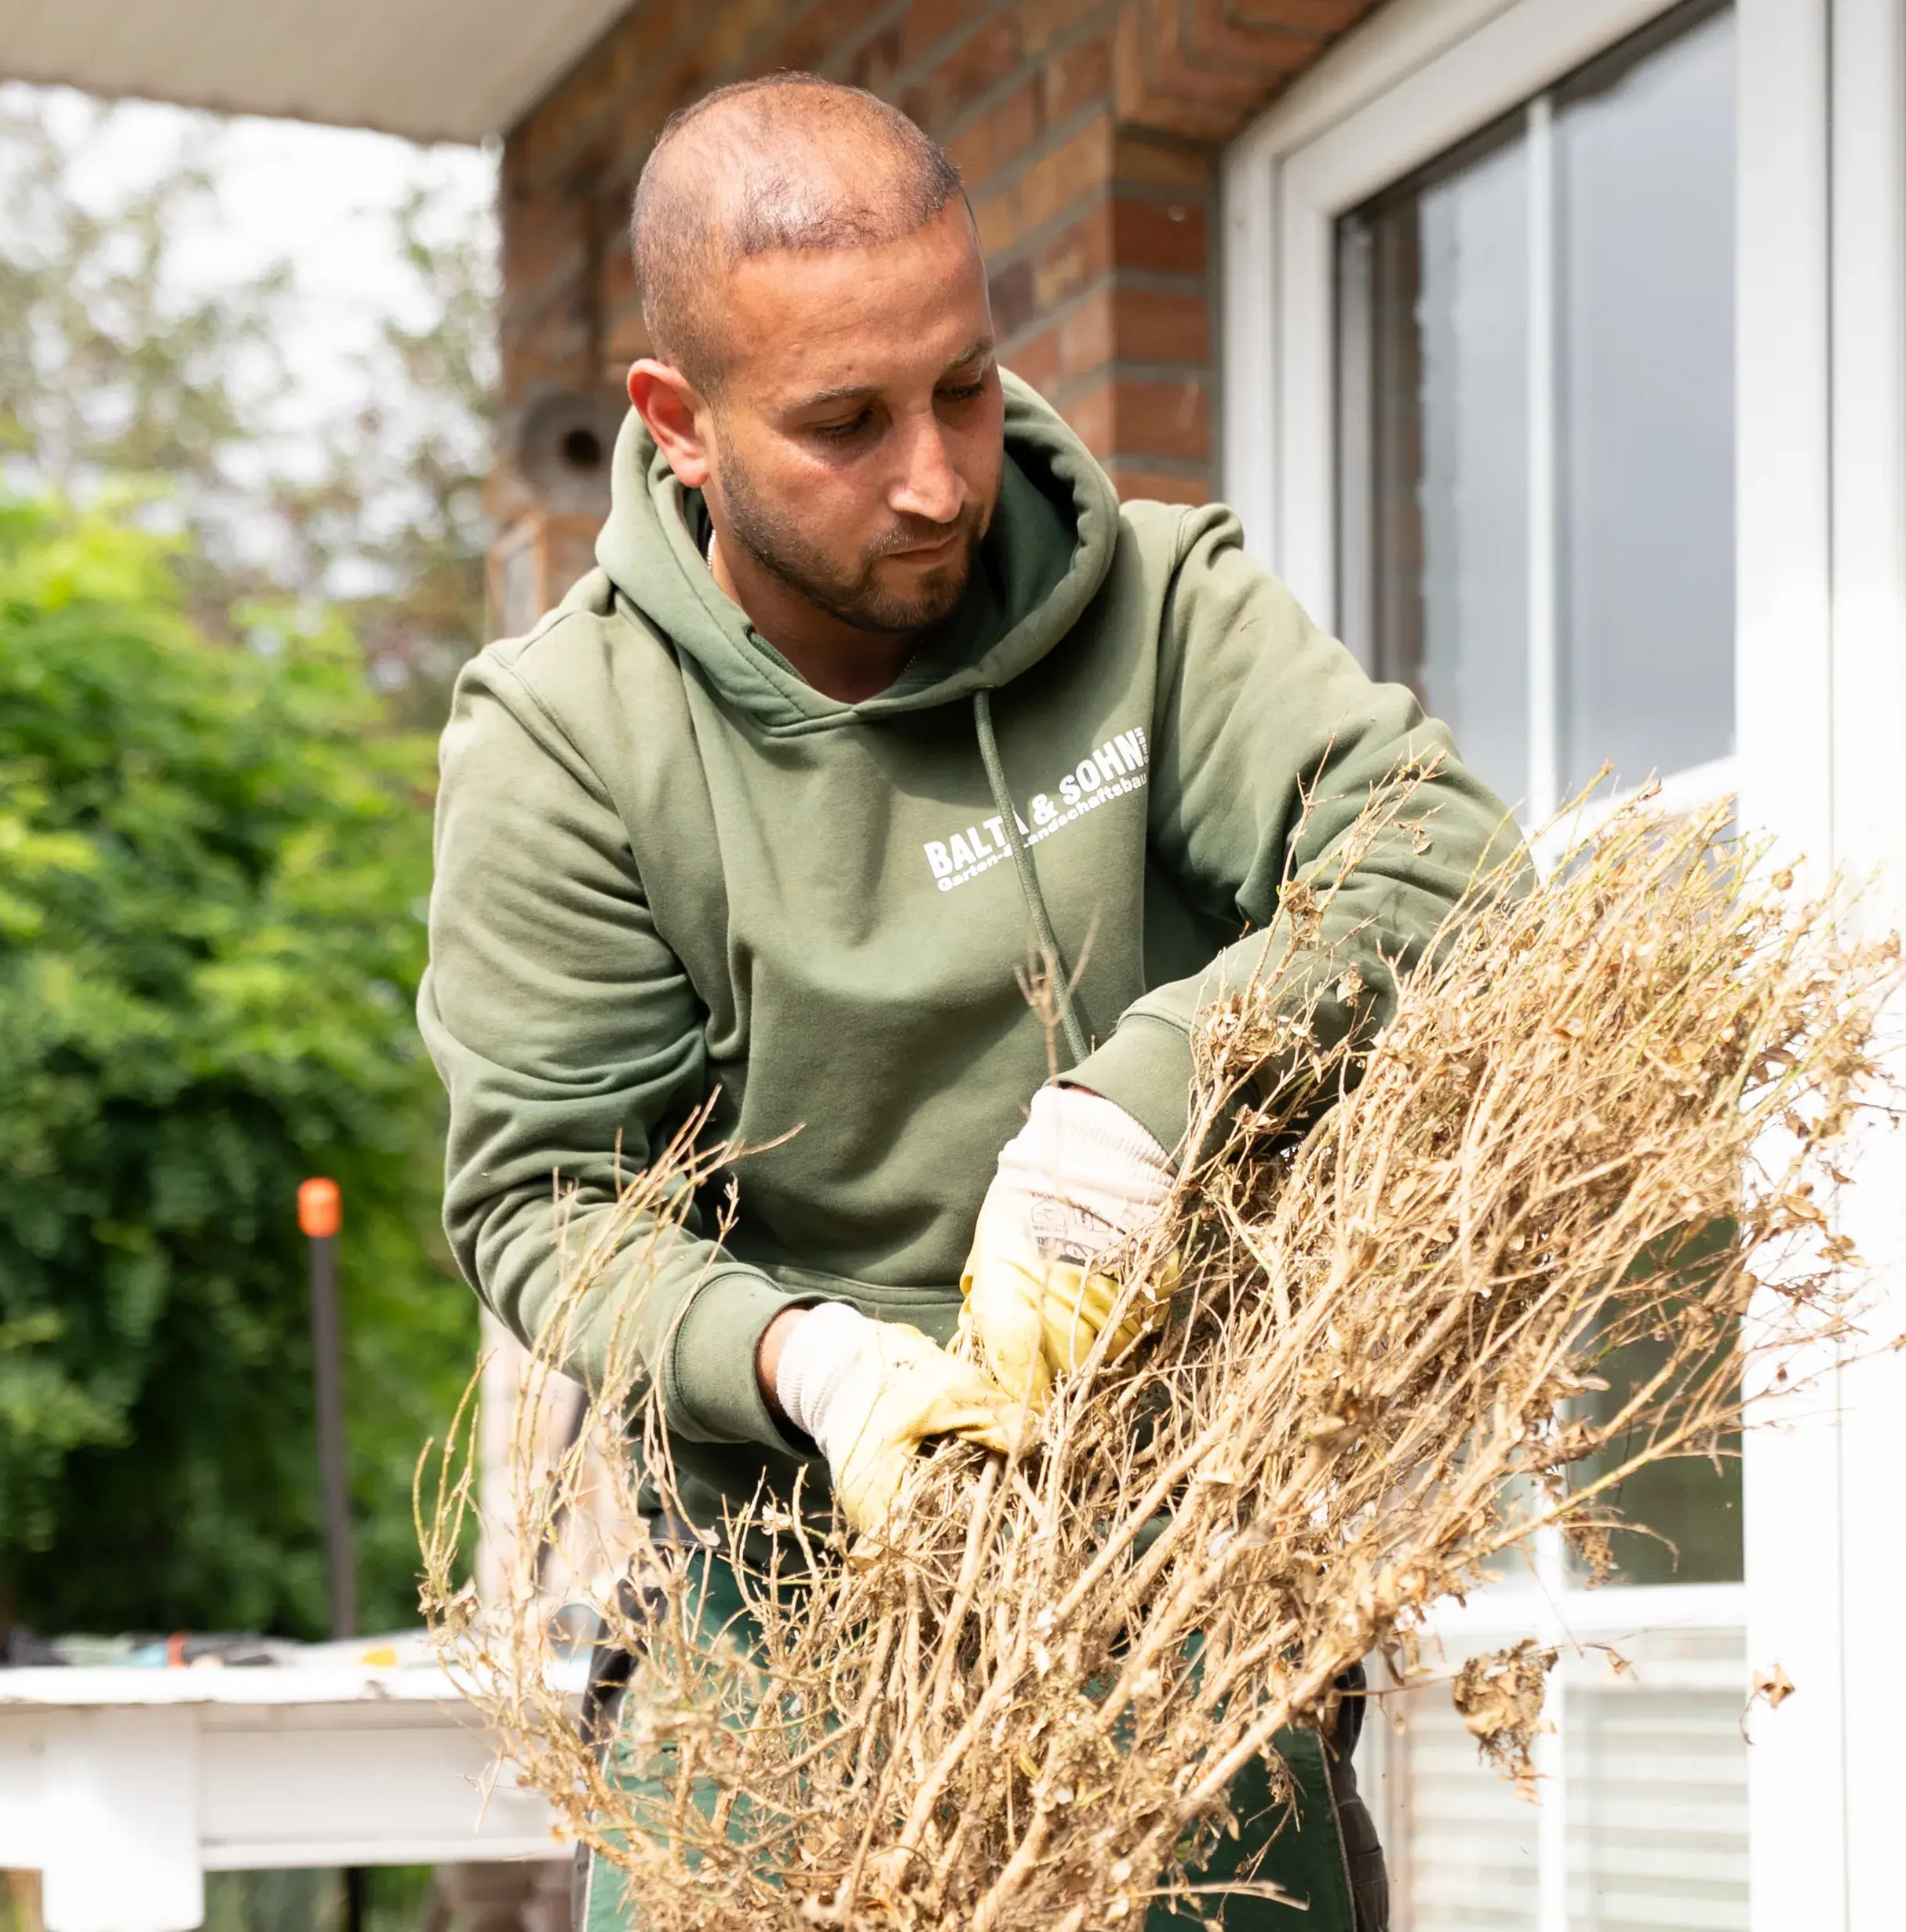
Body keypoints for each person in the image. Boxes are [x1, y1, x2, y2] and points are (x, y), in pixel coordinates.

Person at [420, 72, 1518, 1932]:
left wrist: (1144, 1095)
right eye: (843, 423)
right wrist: (814, 1367)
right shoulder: (566, 744)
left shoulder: (1166, 604)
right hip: (780, 1635)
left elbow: (1438, 853)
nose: (937, 475)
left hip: (1175, 1609)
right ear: (679, 426)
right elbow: (546, 1201)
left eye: (961, 381)